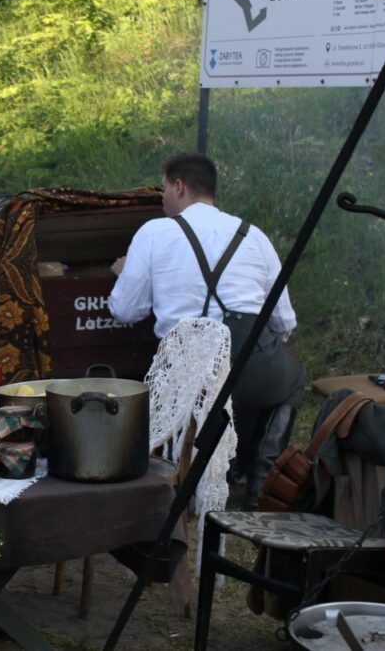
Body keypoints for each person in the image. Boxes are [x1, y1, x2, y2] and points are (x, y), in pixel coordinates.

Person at [108, 152, 303, 508]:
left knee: (217, 387)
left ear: (179, 186)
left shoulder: (153, 232)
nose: (163, 197)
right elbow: (284, 322)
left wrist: (125, 275)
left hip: (186, 369)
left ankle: (178, 474)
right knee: (289, 377)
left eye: (164, 188)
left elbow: (124, 310)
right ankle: (259, 484)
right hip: (249, 364)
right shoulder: (254, 235)